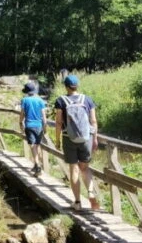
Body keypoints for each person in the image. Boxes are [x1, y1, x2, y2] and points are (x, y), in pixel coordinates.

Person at [54, 75, 100, 211]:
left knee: (74, 170)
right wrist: (95, 138)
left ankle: (78, 202)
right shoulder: (87, 99)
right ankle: (91, 192)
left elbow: (58, 122)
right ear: (77, 86)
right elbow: (93, 121)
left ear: (66, 86)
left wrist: (57, 140)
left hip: (69, 138)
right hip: (86, 138)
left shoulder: (61, 101)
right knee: (85, 168)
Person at [18, 81, 47, 176]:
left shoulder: (24, 100)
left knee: (32, 145)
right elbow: (43, 115)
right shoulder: (40, 100)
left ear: (26, 91)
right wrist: (45, 125)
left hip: (29, 125)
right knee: (37, 145)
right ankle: (36, 164)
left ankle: (37, 165)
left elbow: (22, 113)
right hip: (39, 125)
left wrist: (20, 122)